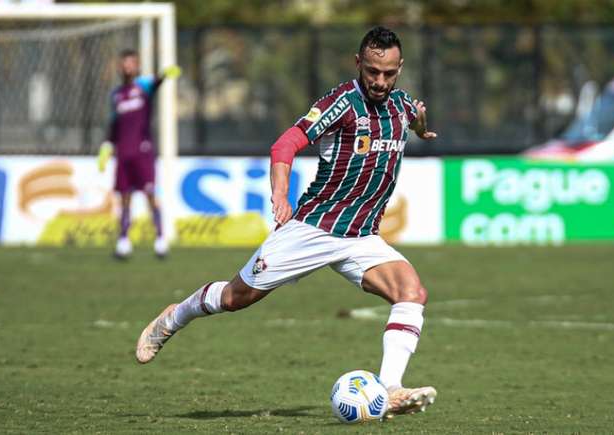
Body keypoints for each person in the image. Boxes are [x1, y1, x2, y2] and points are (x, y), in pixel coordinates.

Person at [135, 26, 438, 418]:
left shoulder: (402, 104)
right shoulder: (341, 103)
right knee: (235, 298)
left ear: (399, 69)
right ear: (358, 63)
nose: (380, 81)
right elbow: (285, 144)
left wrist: (420, 126)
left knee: (411, 292)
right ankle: (173, 318)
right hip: (312, 229)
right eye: (373, 72)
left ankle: (390, 388)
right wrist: (280, 195)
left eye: (389, 73)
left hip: (361, 237)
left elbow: (414, 113)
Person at [98, 49, 180, 259]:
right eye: (124, 63)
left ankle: (161, 240)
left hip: (143, 152)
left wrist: (164, 74)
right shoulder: (116, 94)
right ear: (120, 66)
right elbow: (114, 124)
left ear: (137, 65)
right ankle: (123, 241)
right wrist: (107, 145)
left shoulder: (143, 86)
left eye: (131, 63)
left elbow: (156, 81)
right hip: (123, 153)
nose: (127, 66)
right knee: (124, 198)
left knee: (151, 195)